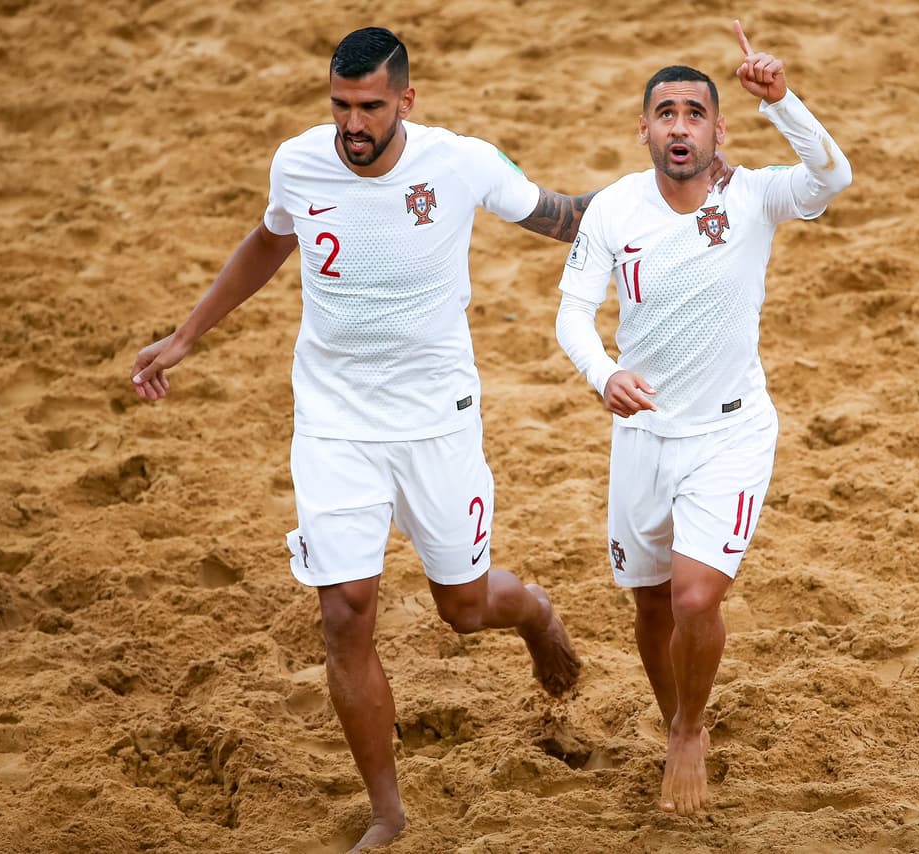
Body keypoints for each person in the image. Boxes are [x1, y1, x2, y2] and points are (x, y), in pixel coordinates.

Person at [129, 26, 731, 852]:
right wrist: (188, 334)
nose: (352, 124)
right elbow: (271, 239)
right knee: (344, 613)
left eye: (370, 106)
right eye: (340, 105)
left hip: (436, 421)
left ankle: (534, 615)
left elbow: (564, 216)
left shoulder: (459, 162)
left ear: (405, 101)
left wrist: (684, 176)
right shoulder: (298, 162)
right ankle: (387, 811)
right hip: (334, 421)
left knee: (465, 607)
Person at [554, 20, 852, 816]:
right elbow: (573, 315)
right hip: (643, 435)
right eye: (665, 113)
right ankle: (674, 716)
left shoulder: (752, 192)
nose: (679, 126)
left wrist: (783, 102)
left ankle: (689, 729)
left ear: (718, 129)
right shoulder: (614, 211)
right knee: (650, 601)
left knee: (693, 599)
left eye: (694, 113)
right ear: (644, 128)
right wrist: (603, 372)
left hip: (730, 432)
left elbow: (833, 177)